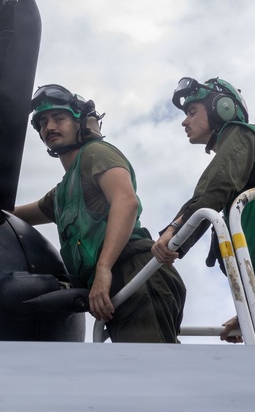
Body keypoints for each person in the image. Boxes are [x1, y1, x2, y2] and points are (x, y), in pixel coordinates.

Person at [12, 84, 186, 343]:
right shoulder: (62, 193)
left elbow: (126, 202)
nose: (49, 127)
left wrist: (103, 269)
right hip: (115, 285)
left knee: (151, 366)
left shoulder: (95, 153)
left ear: (81, 123)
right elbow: (15, 215)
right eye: (43, 123)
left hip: (135, 273)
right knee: (138, 367)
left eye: (59, 118)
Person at [152, 77, 255, 343]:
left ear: (223, 108)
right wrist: (251, 316)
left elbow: (214, 189)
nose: (184, 122)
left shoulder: (243, 134)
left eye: (192, 112)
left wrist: (175, 233)